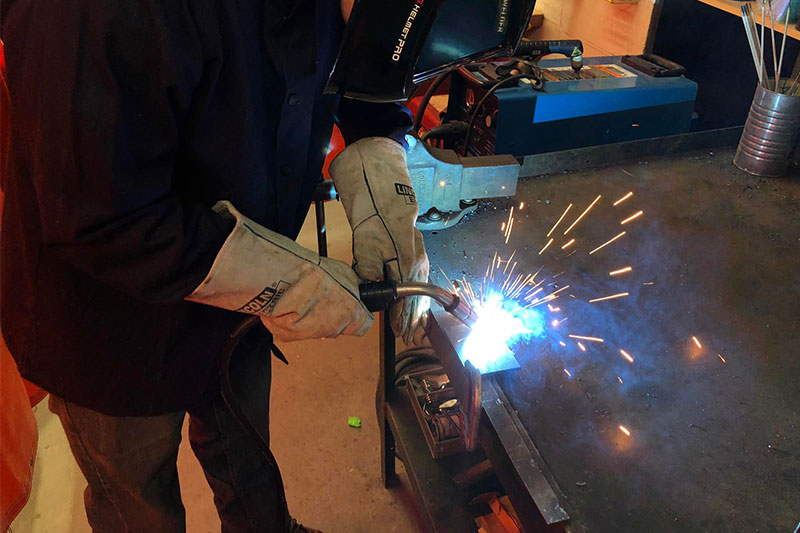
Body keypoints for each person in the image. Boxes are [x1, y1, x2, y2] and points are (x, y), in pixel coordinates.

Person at [0, 0, 533, 530]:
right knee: (140, 505)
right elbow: (101, 218)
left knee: (248, 458)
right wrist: (286, 284)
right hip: (108, 319)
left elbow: (359, 73)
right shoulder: (92, 15)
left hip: (240, 290)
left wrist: (378, 159)